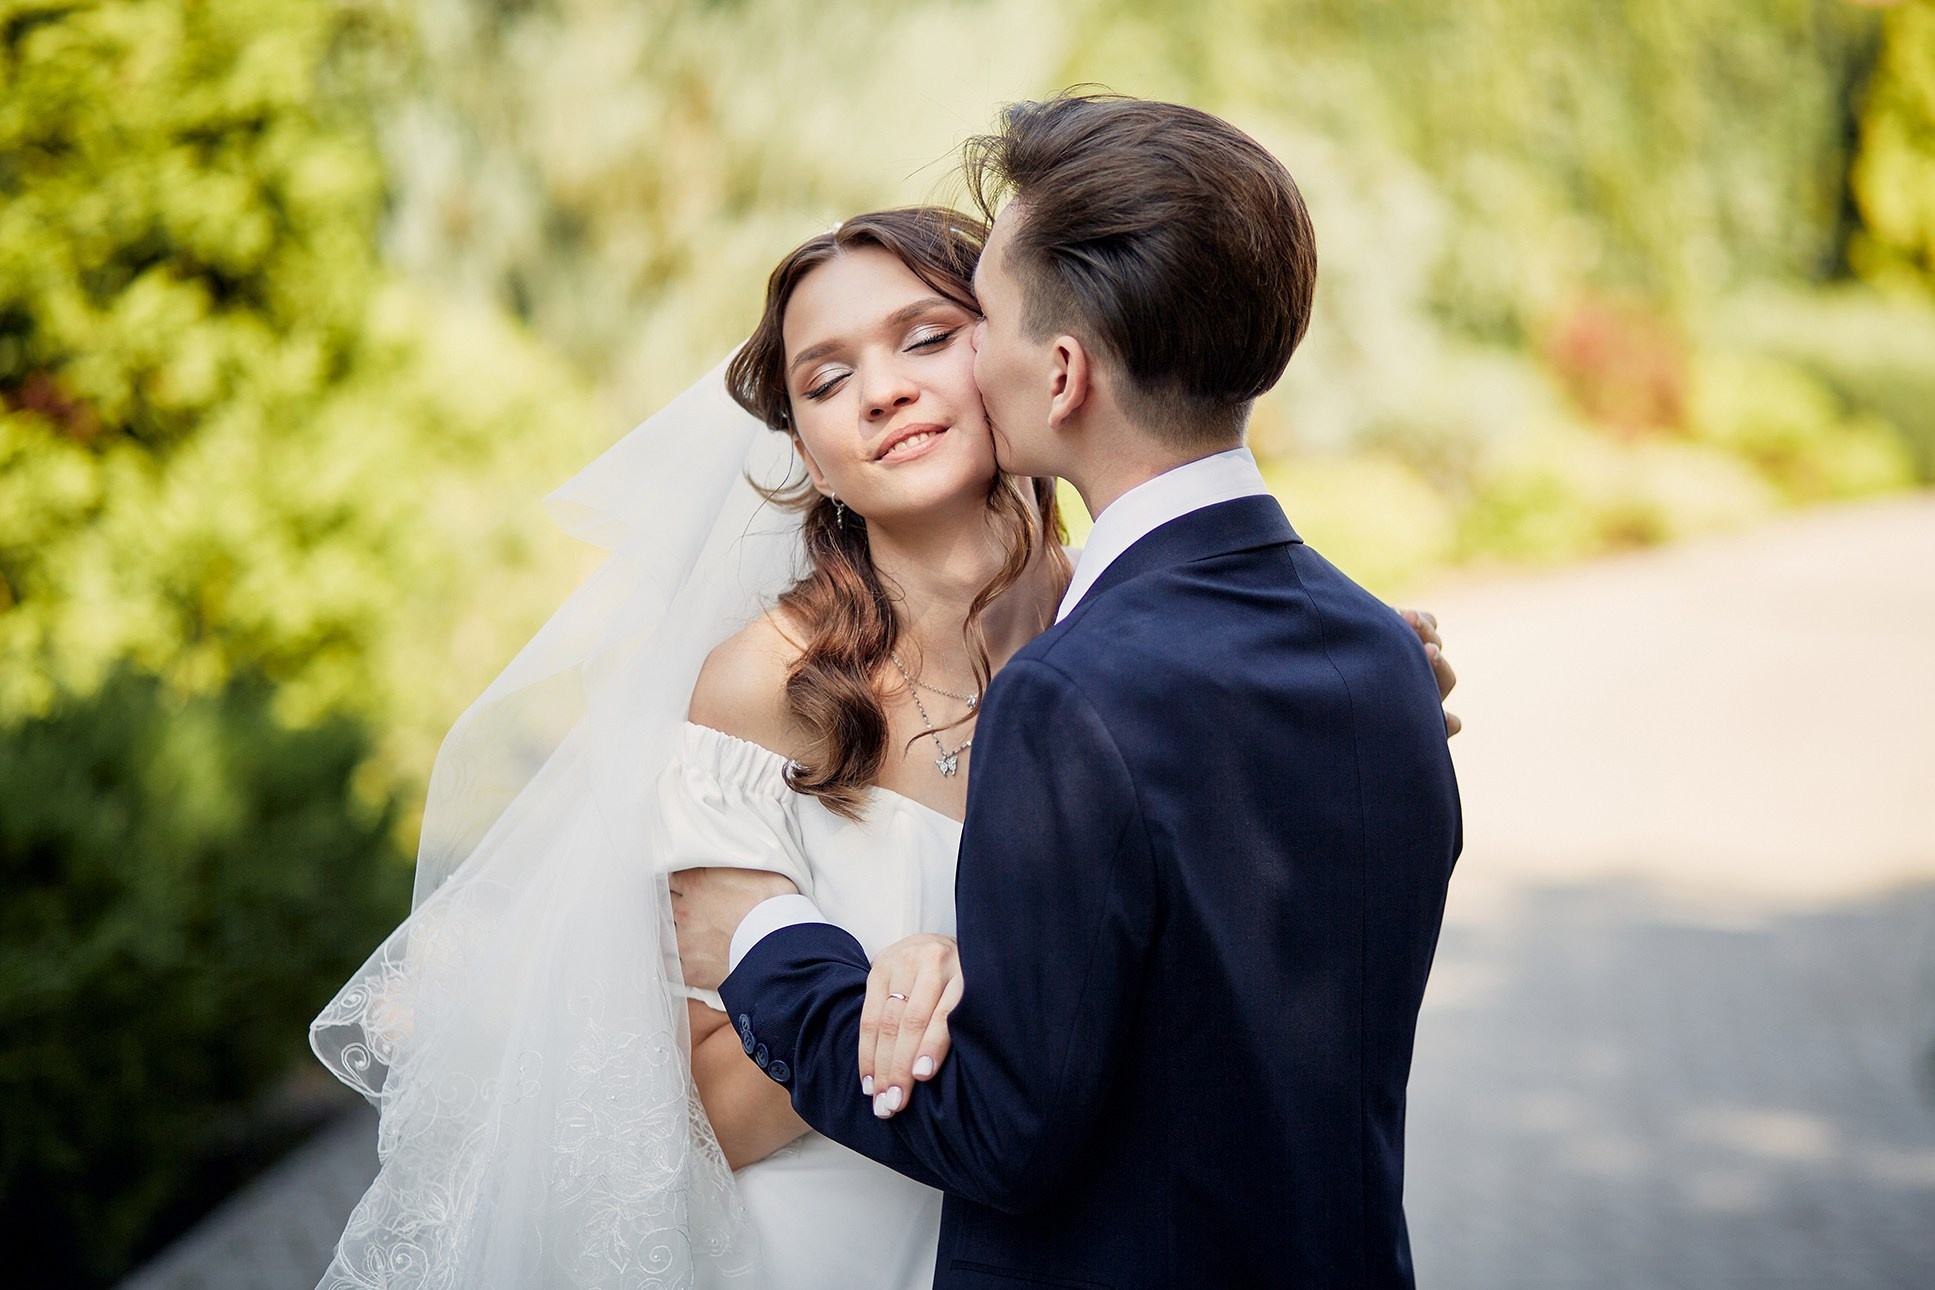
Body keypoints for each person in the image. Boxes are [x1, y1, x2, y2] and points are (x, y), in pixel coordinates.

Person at [671, 93, 1463, 1290]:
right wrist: (904, 973)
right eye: (826, 376)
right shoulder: (756, 687)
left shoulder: (1135, 657)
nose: (885, 390)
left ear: (1050, 365)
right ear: (801, 443)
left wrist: (869, 960)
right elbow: (703, 1112)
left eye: (939, 333)